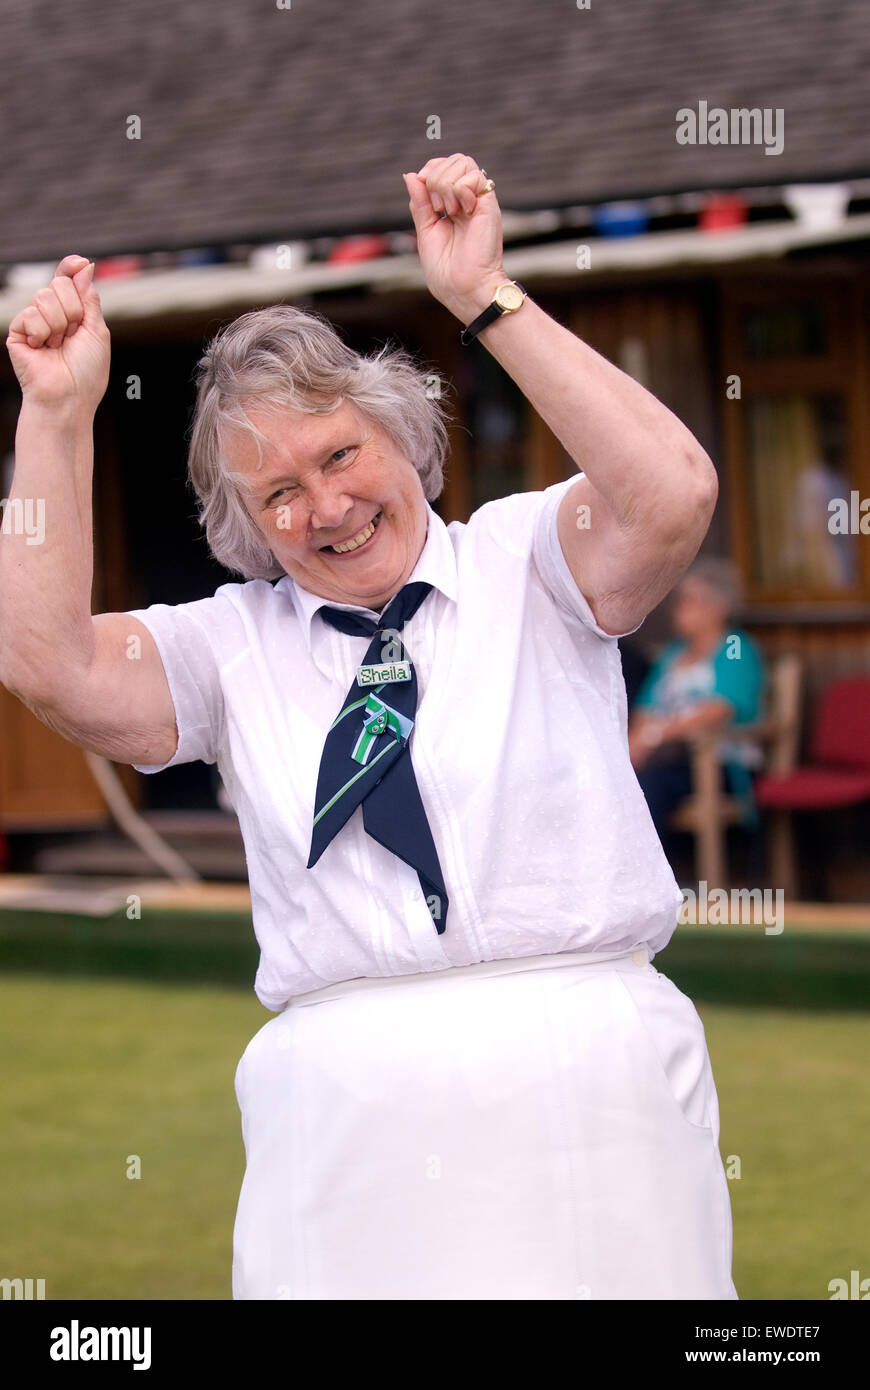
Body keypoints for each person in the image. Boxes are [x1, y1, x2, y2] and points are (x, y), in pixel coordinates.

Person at [1, 153, 737, 1300]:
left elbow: (675, 490)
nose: (325, 506)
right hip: (341, 1124)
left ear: (405, 438)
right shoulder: (230, 642)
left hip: (590, 1090)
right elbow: (47, 663)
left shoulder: (528, 557)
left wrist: (482, 295)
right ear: (242, 525)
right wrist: (55, 413)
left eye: (340, 454)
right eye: (277, 492)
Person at [628, 558, 766, 848]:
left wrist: (654, 736)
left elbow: (719, 709)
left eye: (689, 601)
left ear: (718, 607)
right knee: (619, 781)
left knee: (648, 786)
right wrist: (637, 742)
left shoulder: (734, 646)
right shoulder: (674, 653)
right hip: (669, 758)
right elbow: (645, 707)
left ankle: (653, 882)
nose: (678, 610)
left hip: (720, 761)